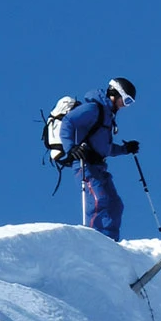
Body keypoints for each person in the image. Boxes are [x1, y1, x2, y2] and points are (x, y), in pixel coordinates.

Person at [59, 77, 140, 241]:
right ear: (114, 93)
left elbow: (104, 149)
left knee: (115, 205)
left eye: (129, 103)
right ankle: (93, 245)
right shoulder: (93, 109)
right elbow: (68, 121)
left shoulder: (108, 117)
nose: (125, 105)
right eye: (126, 100)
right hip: (84, 164)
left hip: (98, 167)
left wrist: (125, 149)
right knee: (99, 201)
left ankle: (109, 245)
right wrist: (71, 148)